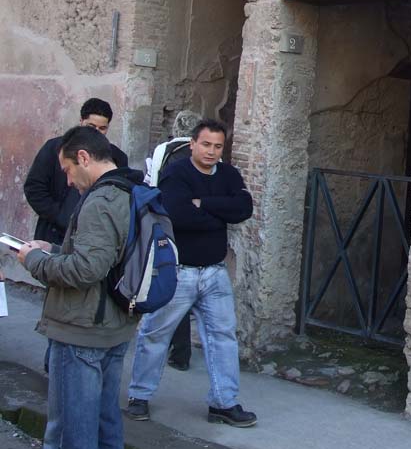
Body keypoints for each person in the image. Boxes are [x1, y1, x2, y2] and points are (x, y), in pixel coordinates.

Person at [18, 126, 143, 449]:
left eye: (69, 170)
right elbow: (105, 258)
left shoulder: (101, 200)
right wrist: (52, 246)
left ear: (85, 157)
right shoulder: (132, 190)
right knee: (106, 426)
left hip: (81, 332)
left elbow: (85, 270)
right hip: (114, 328)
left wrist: (34, 260)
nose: (68, 181)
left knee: (70, 435)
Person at [126, 119, 257, 427]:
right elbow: (179, 214)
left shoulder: (228, 174)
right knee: (156, 334)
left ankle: (224, 403)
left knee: (223, 337)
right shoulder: (177, 173)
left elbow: (244, 207)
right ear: (193, 145)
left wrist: (205, 204)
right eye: (206, 145)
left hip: (214, 273)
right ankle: (139, 397)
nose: (211, 152)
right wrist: (218, 216)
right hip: (179, 272)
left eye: (218, 146)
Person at [24, 98, 129, 247]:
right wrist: (60, 216)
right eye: (91, 126)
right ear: (81, 121)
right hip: (52, 234)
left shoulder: (116, 157)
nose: (96, 132)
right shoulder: (54, 148)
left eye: (102, 128)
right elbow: (34, 188)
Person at [144, 110, 201, 371]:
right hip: (194, 228)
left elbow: (153, 184)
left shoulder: (162, 152)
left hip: (165, 224)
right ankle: (181, 352)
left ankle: (170, 349)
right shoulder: (199, 155)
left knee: (168, 286)